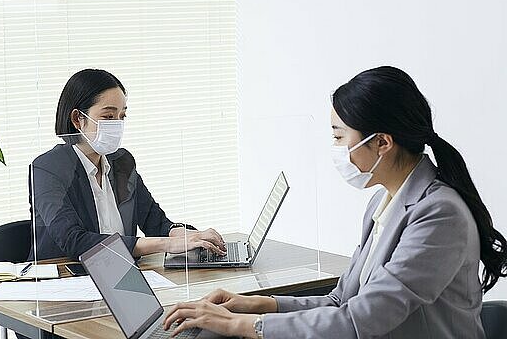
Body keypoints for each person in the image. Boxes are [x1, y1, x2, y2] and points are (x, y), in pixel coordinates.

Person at [162, 66, 507, 338]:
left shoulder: (439, 215)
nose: (337, 149)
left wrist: (241, 325)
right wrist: (254, 305)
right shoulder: (382, 203)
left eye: (339, 136)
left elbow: (360, 319)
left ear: (383, 143)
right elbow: (340, 301)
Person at [28, 69, 226, 261]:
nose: (117, 124)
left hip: (121, 271)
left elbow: (155, 222)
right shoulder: (47, 168)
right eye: (108, 117)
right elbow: (74, 240)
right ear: (78, 119)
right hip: (66, 280)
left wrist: (187, 236)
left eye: (122, 116)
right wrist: (166, 244)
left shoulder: (122, 161)